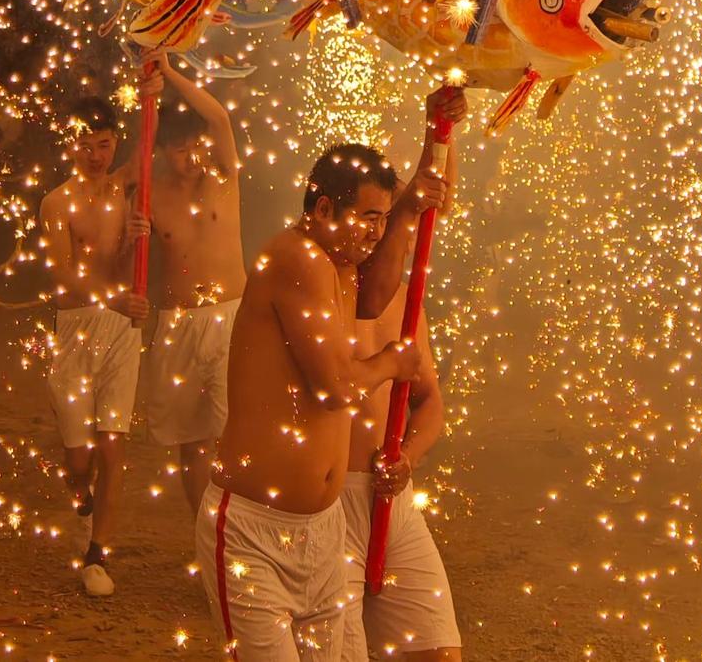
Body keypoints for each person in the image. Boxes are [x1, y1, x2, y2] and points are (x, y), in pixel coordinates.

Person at [195, 86, 466, 662]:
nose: (374, 233)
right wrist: (394, 361)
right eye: (366, 218)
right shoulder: (296, 258)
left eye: (380, 220)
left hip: (321, 530)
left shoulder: (340, 264)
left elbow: (376, 296)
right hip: (253, 529)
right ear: (322, 210)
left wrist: (419, 185)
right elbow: (336, 387)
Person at [38, 93, 150, 597]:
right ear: (70, 144)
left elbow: (148, 145)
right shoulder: (56, 203)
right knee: (80, 457)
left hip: (120, 329)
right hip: (76, 327)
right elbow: (62, 276)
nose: (95, 156)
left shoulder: (124, 189)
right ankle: (80, 492)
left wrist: (153, 87)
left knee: (112, 444)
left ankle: (98, 553)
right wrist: (114, 298)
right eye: (85, 145)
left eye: (103, 145)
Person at [141, 53, 246, 512]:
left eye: (196, 146)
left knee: (235, 433)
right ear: (164, 151)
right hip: (178, 322)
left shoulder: (223, 176)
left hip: (230, 317)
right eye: (181, 150)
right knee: (191, 439)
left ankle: (235, 530)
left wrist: (170, 74)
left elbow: (219, 118)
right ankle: (203, 530)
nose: (192, 157)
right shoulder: (151, 194)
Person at [340, 293, 461, 662]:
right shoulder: (316, 293)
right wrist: (388, 363)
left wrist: (407, 455)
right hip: (327, 504)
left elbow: (429, 400)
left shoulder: (408, 302)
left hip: (395, 504)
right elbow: (330, 391)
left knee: (438, 653)